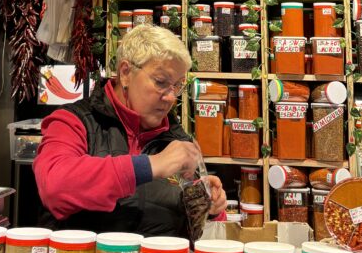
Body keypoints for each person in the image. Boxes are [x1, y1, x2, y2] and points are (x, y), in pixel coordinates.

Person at [34, 24, 227, 236]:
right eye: (161, 82)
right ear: (125, 73)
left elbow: (195, 228)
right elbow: (55, 187)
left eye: (177, 86)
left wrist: (211, 208)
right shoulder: (74, 121)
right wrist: (150, 165)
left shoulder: (179, 141)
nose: (171, 97)